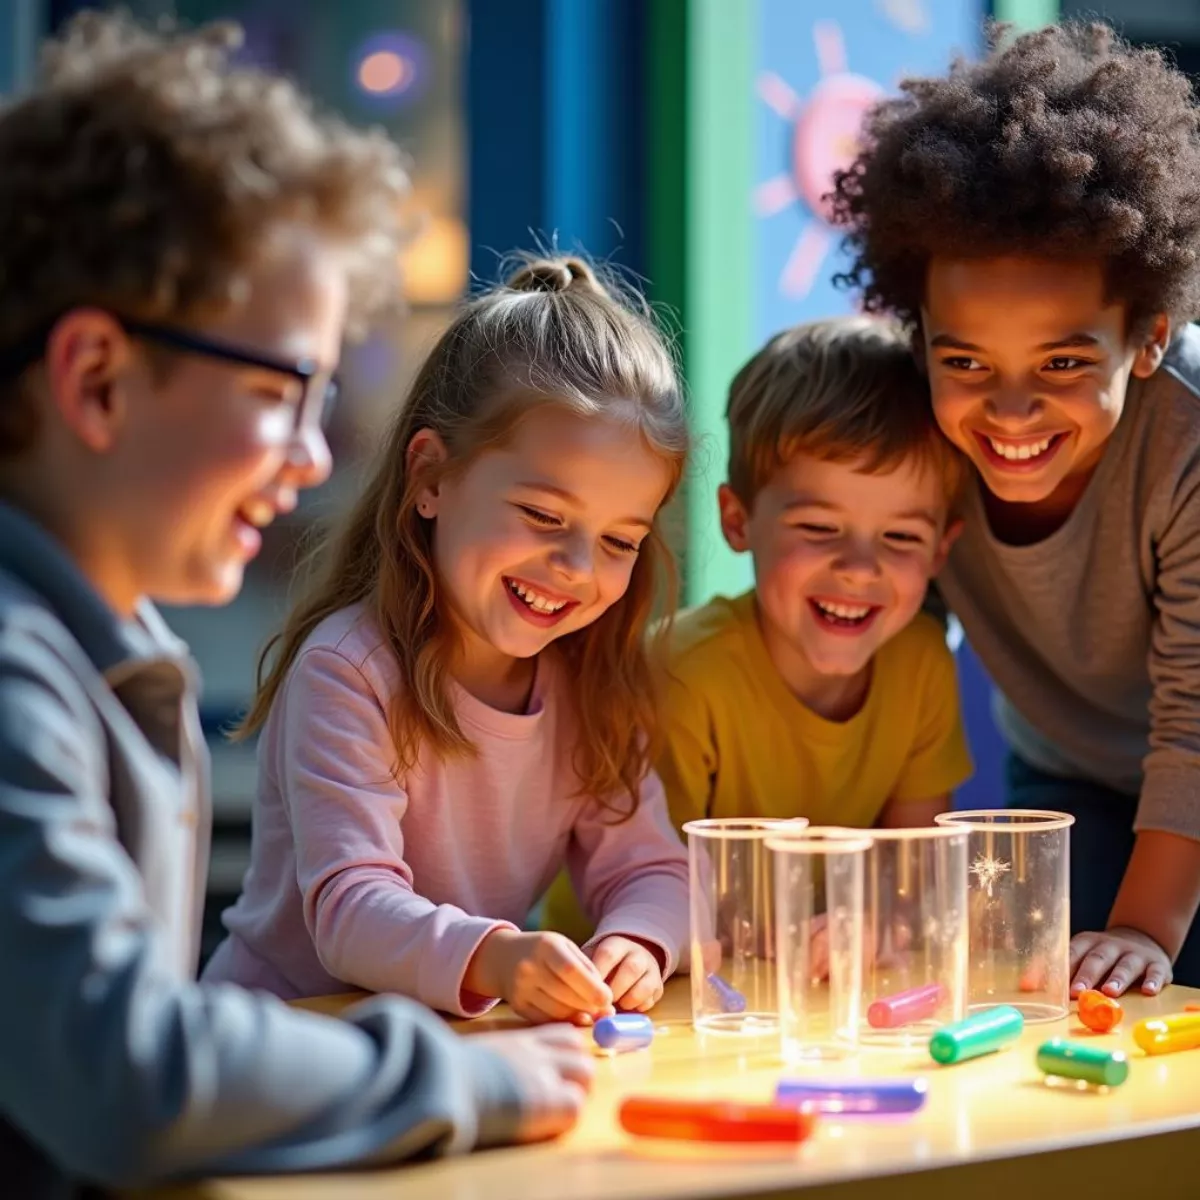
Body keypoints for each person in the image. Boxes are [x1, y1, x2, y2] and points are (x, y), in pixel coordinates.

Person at [0, 14, 594, 1199]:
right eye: (282, 392)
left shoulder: (111, 653)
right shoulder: (16, 678)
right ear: (98, 379)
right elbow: (129, 1075)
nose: (318, 458)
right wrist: (471, 1082)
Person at [202, 255, 692, 1027]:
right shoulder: (346, 671)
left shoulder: (591, 685)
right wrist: (498, 956)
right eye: (542, 515)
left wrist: (641, 939)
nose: (575, 568)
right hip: (282, 1048)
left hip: (444, 1049)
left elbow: (655, 869)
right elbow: (350, 909)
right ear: (431, 476)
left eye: (619, 541)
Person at [830, 20, 1200, 994]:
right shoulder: (916, 430)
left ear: (1151, 336)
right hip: (1068, 770)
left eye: (1065, 363)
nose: (1010, 409)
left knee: (1157, 986)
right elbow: (883, 643)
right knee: (1031, 985)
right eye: (966, 362)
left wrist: (1149, 932)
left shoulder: (1187, 443)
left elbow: (1196, 722)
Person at [542, 315, 972, 942]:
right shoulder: (684, 674)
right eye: (820, 528)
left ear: (940, 550)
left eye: (900, 537)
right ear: (738, 520)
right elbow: (655, 891)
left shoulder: (923, 664)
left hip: (804, 990)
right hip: (633, 979)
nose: (858, 569)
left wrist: (883, 925)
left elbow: (913, 876)